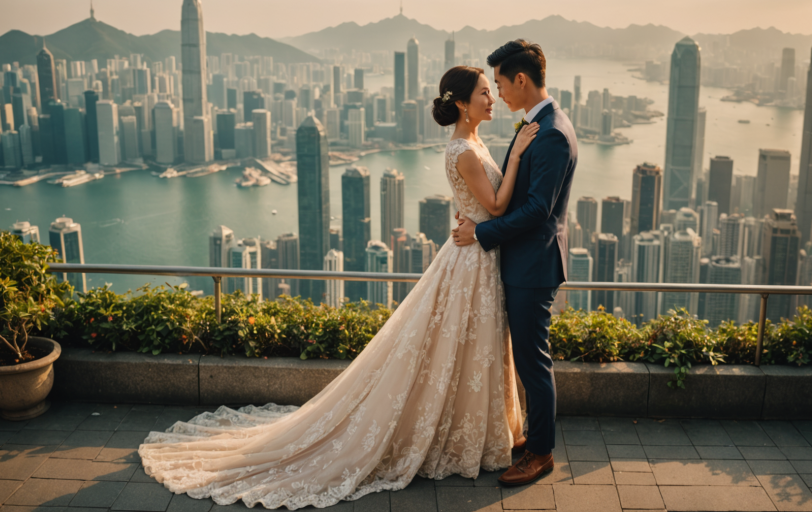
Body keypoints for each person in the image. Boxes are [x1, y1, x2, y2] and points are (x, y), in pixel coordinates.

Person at [138, 65, 540, 509]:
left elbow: (481, 204)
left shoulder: (473, 143)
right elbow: (498, 205)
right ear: (462, 103)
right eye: (485, 92)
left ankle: (486, 433)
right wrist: (518, 153)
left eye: (491, 90)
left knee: (468, 349)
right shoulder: (464, 149)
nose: (492, 98)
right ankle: (465, 436)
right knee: (461, 347)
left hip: (475, 255)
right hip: (471, 262)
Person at [452, 39, 579, 486]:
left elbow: (536, 212)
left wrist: (480, 232)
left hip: (532, 267)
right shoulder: (536, 126)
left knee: (532, 360)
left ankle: (541, 452)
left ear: (521, 79)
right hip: (523, 262)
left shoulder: (552, 135)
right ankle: (534, 437)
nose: (498, 94)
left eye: (501, 84)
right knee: (525, 357)